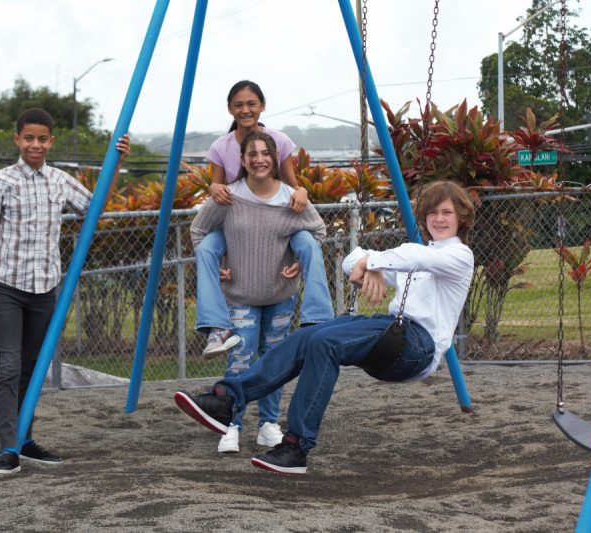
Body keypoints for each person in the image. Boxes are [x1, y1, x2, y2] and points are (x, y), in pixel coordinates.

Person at [175, 180, 475, 475]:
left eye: (446, 213)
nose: (438, 219)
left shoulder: (458, 256)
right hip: (393, 331)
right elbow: (351, 259)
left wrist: (373, 262)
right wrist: (367, 264)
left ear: (460, 218)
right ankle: (227, 399)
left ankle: (296, 446)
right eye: (432, 213)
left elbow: (414, 255)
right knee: (307, 336)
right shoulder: (414, 259)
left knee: (325, 342)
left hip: (416, 346)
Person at [0, 108, 131, 475]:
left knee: (31, 368)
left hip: (44, 290)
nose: (35, 144)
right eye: (28, 138)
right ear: (17, 140)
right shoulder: (1, 181)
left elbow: (96, 207)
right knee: (8, 367)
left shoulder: (59, 181)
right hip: (7, 288)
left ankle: (24, 439)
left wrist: (115, 162)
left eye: (42, 138)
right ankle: (7, 448)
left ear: (50, 141)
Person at [191, 131, 328, 453]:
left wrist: (297, 260)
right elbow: (198, 231)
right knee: (240, 361)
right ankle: (231, 425)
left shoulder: (291, 198)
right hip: (241, 296)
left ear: (275, 158)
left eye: (265, 153)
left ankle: (268, 424)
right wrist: (217, 267)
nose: (259, 159)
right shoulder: (228, 197)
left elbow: (318, 232)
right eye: (251, 154)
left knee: (275, 362)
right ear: (242, 160)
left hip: (280, 294)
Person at [195, 80, 334, 358]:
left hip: (279, 217)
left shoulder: (278, 141)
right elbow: (217, 187)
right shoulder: (221, 146)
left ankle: (318, 316)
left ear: (262, 106)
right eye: (239, 105)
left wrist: (303, 190)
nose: (245, 110)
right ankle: (216, 326)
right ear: (230, 109)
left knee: (308, 241)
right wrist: (212, 187)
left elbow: (292, 184)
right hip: (236, 218)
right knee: (207, 247)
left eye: (251, 104)